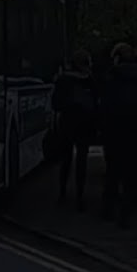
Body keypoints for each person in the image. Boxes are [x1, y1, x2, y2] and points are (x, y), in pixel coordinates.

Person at [99, 43, 137, 229]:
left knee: (113, 172)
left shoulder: (111, 78)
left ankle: (108, 211)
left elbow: (104, 106)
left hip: (114, 133)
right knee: (132, 175)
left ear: (117, 58)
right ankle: (126, 212)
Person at [51, 50, 99, 211]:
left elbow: (55, 104)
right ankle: (80, 195)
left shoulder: (63, 79)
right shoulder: (90, 80)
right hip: (85, 123)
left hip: (67, 122)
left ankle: (62, 192)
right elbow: (96, 102)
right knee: (82, 159)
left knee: (65, 159)